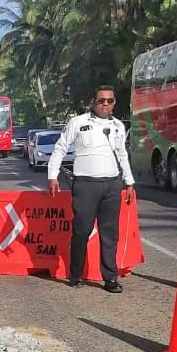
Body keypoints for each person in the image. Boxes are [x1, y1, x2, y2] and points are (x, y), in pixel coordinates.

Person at [48, 86, 135, 292]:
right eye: (101, 100)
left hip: (112, 185)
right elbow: (60, 148)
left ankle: (110, 278)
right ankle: (76, 275)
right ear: (93, 102)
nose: (105, 104)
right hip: (86, 185)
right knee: (81, 231)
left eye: (110, 101)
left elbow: (122, 155)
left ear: (114, 103)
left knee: (110, 234)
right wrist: (52, 176)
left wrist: (129, 183)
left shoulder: (118, 126)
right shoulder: (78, 123)